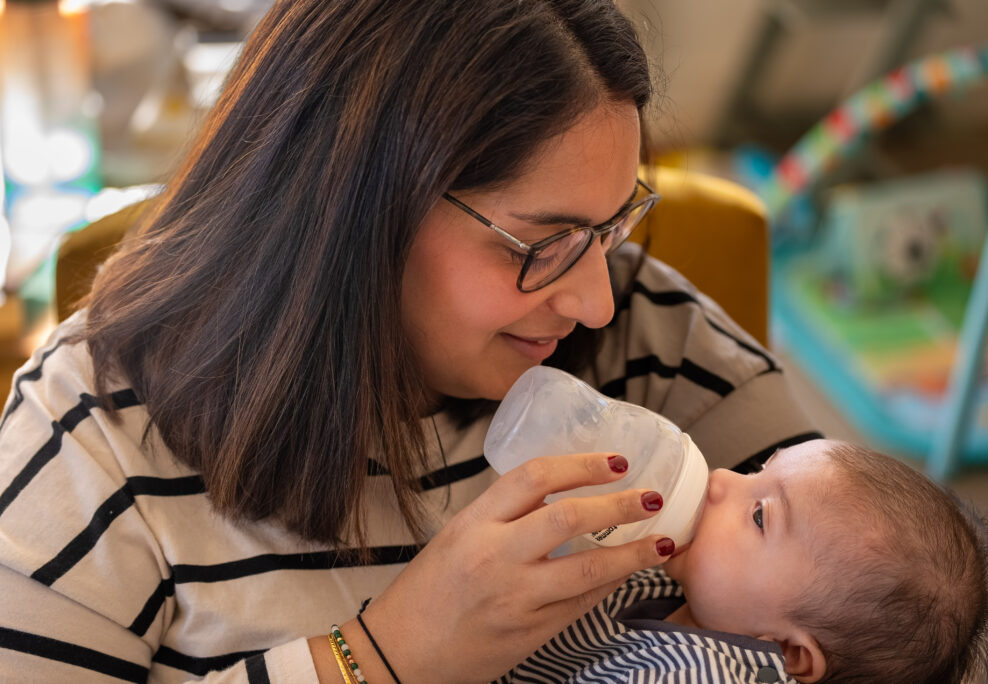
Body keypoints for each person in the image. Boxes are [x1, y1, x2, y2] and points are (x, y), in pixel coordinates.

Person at [0, 0, 821, 681]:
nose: (596, 303)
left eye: (611, 227)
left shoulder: (648, 336)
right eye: (544, 244)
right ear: (353, 211)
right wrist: (387, 654)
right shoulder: (93, 440)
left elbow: (870, 602)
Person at [499, 439, 988, 684]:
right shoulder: (688, 596)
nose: (721, 479)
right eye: (757, 469)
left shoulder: (694, 677)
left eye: (760, 516)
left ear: (789, 653)